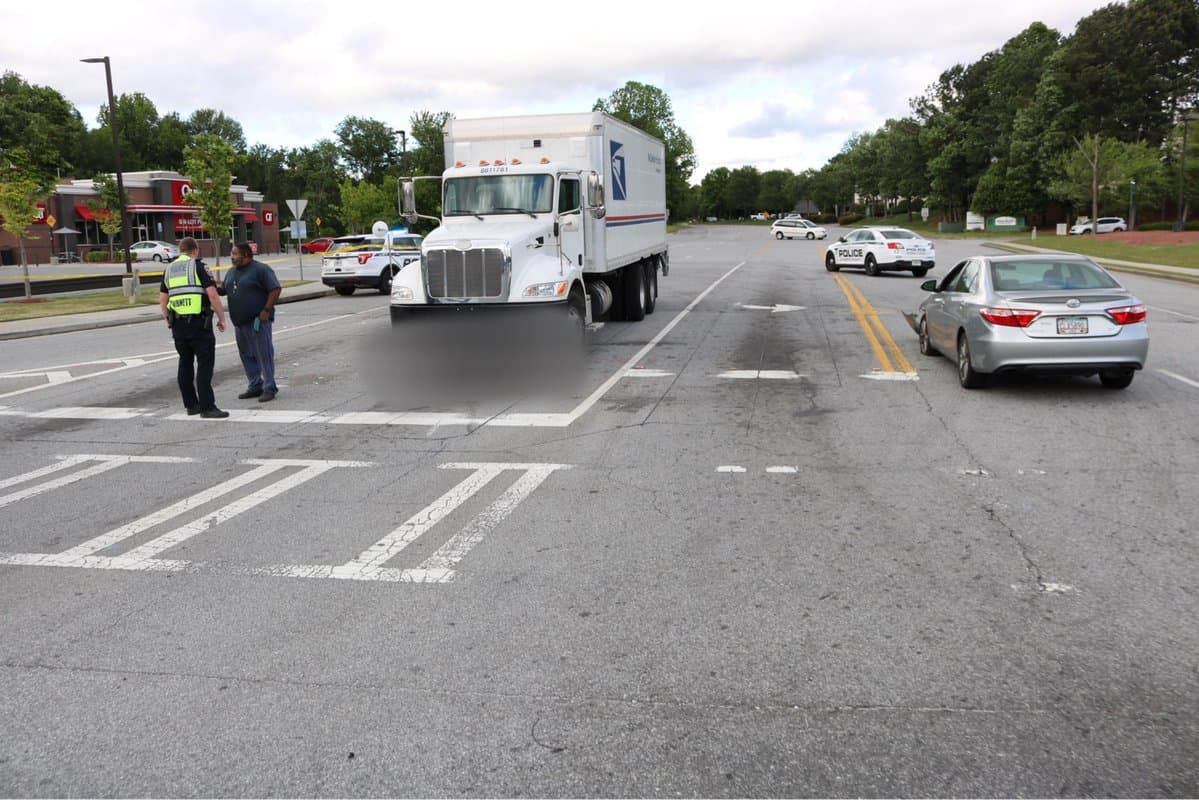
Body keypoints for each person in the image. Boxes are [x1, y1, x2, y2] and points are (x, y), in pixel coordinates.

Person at [159, 237, 229, 419]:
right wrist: (222, 318)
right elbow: (213, 295)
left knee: (185, 363)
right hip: (199, 324)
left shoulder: (169, 269)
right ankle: (207, 407)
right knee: (205, 365)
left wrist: (168, 319)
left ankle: (191, 405)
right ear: (195, 250)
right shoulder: (199, 266)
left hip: (178, 325)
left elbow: (163, 299)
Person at [219, 242, 282, 402]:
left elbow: (275, 289)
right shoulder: (232, 272)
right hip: (239, 321)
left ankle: (269, 387)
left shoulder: (261, 270)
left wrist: (266, 310)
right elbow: (224, 290)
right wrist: (210, 285)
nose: (232, 257)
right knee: (247, 355)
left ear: (246, 255)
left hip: (258, 320)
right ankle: (255, 385)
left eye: (235, 254)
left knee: (263, 354)